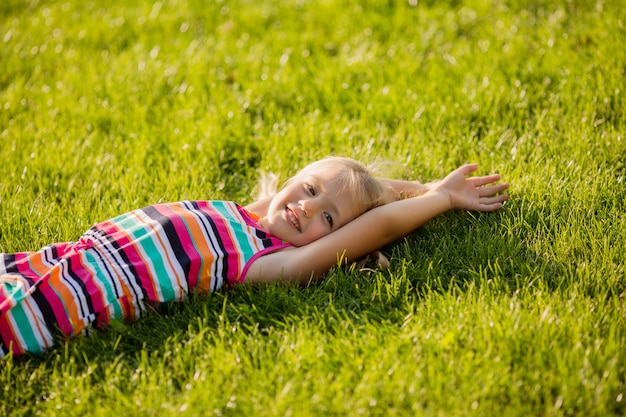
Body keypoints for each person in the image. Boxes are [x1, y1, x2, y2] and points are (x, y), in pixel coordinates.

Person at [0, 156, 508, 357]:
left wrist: (440, 199)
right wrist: (420, 184)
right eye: (307, 189)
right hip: (36, 262)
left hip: (60, 301)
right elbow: (348, 188)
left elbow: (373, 220)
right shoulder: (249, 212)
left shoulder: (263, 262)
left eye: (328, 219)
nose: (308, 208)